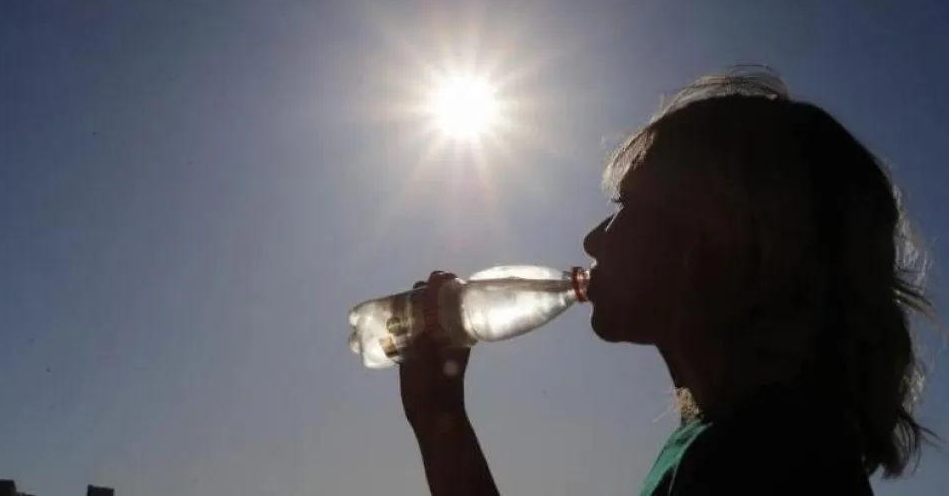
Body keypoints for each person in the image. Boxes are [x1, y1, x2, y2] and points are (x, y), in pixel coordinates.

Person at [397, 69, 936, 495]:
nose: (593, 239)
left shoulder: (760, 463)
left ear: (722, 241)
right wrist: (441, 420)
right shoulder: (738, 441)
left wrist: (443, 426)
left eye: (628, 205)